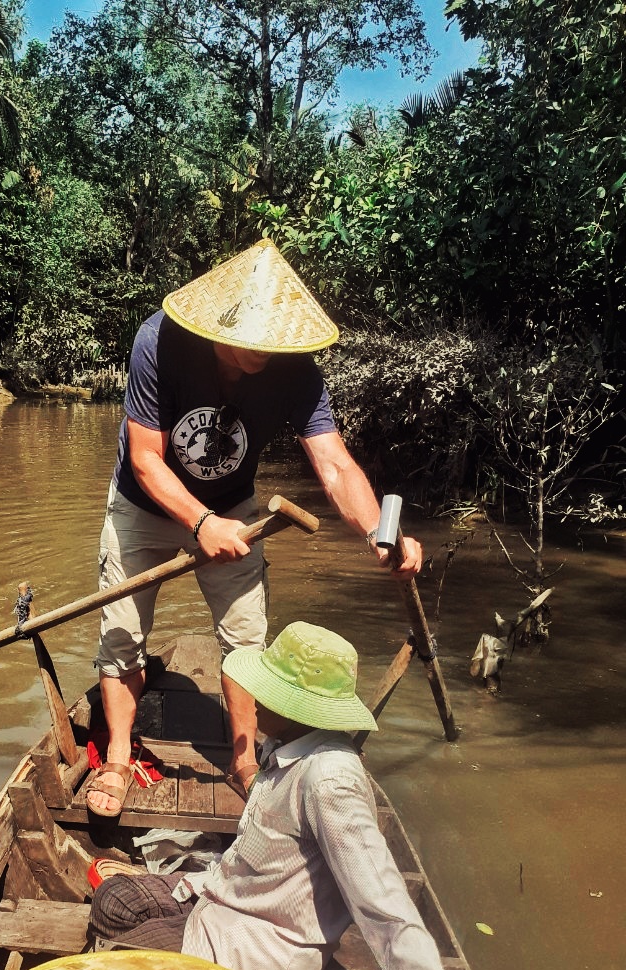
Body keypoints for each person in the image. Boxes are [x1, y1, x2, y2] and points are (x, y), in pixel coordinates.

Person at [89, 622, 505, 970]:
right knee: (115, 898)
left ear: (290, 706)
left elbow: (385, 904)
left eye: (264, 692)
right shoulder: (287, 750)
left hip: (246, 951)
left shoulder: (330, 781)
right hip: (223, 900)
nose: (252, 701)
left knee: (109, 965)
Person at [86, 240, 423, 819]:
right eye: (254, 340)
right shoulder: (158, 342)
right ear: (220, 325)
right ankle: (117, 756)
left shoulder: (295, 372)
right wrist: (199, 522)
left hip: (235, 507)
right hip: (146, 504)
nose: (266, 352)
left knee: (246, 639)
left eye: (275, 341)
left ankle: (245, 764)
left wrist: (378, 532)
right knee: (121, 637)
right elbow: (145, 458)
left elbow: (335, 463)